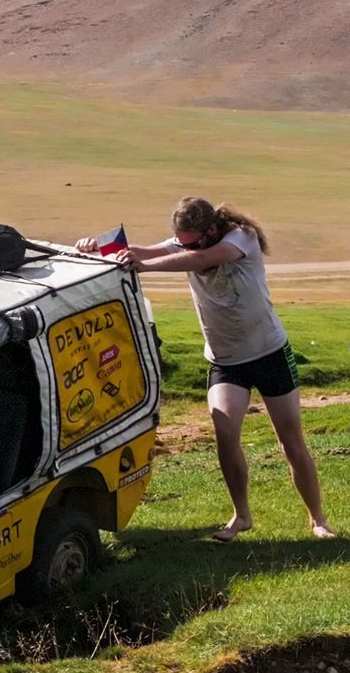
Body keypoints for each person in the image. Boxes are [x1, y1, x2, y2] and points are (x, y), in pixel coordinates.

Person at [80, 198, 332, 540]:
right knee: (225, 434)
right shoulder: (188, 245)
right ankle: (241, 516)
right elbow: (145, 250)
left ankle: (318, 520)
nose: (186, 248)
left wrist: (146, 266)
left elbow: (201, 259)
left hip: (269, 353)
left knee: (290, 442)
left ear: (211, 229)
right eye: (181, 242)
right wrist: (98, 249)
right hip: (226, 361)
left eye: (192, 242)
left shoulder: (241, 237)